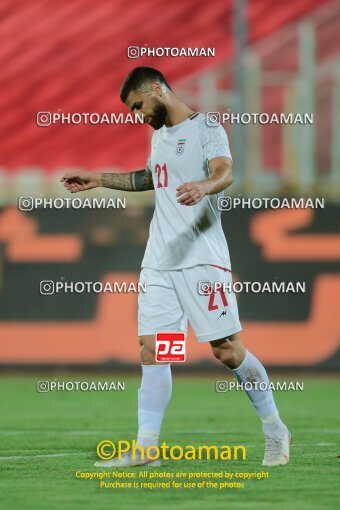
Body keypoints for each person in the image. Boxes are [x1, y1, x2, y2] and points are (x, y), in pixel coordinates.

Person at [61, 67, 290, 468]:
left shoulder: (207, 128)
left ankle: (275, 429)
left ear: (156, 89)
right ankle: (147, 448)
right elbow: (150, 178)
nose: (137, 114)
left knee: (226, 351)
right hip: (159, 264)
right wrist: (98, 178)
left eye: (137, 105)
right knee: (156, 350)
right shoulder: (158, 137)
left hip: (201, 260)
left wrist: (204, 185)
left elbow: (225, 171)